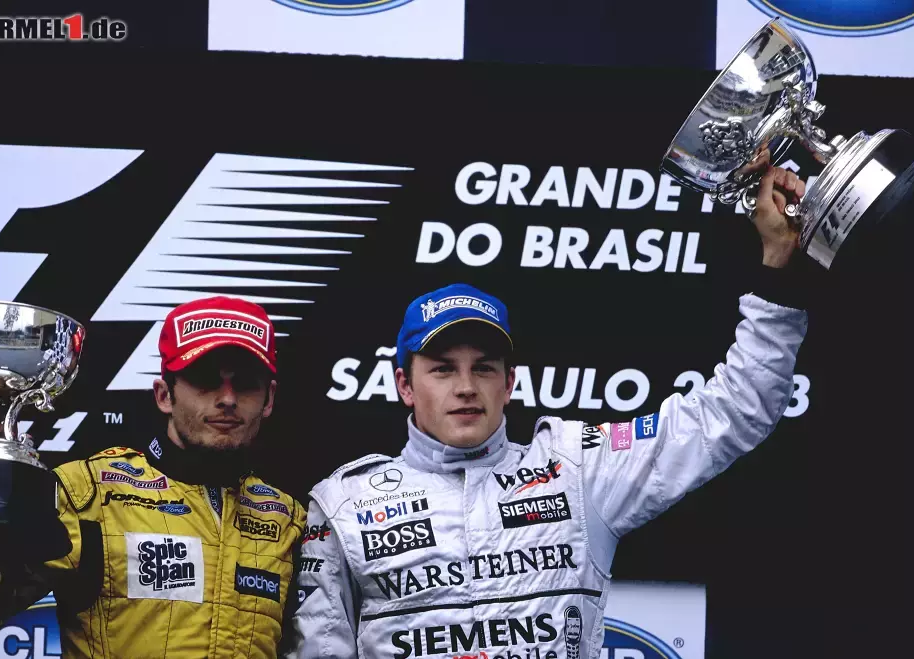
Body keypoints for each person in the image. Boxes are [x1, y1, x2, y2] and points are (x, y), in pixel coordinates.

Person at [287, 165, 809, 658]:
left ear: (510, 382)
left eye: (485, 368)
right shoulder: (343, 504)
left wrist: (778, 263)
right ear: (404, 384)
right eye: (443, 369)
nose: (466, 387)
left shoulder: (575, 469)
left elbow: (735, 409)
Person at [0, 295, 306, 658]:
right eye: (205, 379)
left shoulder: (286, 518)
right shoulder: (87, 494)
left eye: (245, 383)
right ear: (165, 395)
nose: (227, 399)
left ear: (269, 399)